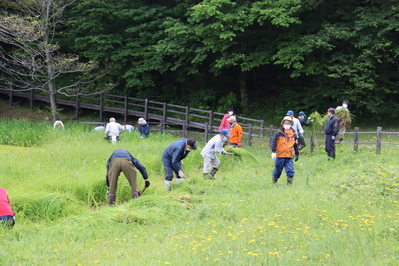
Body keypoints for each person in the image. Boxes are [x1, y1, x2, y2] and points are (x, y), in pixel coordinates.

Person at [271, 116, 299, 185]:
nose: (287, 124)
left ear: (291, 124)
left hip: (289, 156)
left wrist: (297, 154)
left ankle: (289, 185)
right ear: (283, 124)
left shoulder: (294, 134)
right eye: (285, 123)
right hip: (280, 155)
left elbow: (295, 145)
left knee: (290, 171)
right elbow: (273, 143)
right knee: (278, 171)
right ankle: (274, 182)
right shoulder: (278, 133)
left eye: (288, 123)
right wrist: (273, 152)